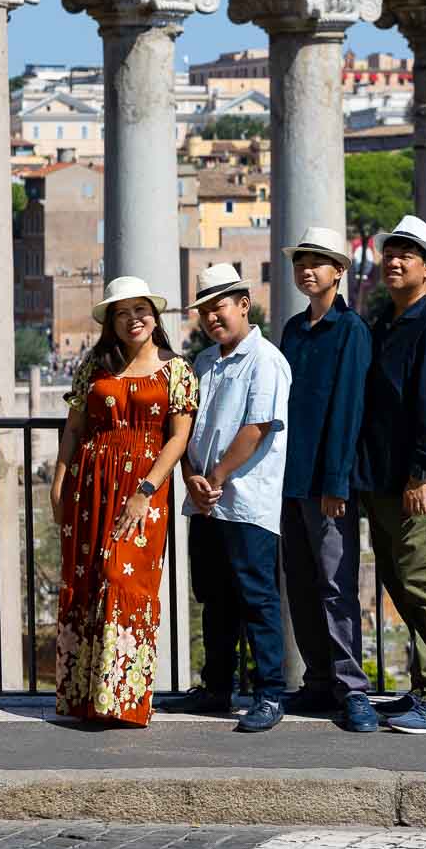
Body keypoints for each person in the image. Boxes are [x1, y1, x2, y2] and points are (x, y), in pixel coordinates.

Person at [51, 275, 198, 727]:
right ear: (110, 322)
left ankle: (122, 699)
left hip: (143, 487)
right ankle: (85, 698)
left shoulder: (178, 370)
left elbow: (178, 440)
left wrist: (145, 491)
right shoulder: (94, 366)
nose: (133, 319)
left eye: (141, 310)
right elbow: (74, 429)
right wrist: (58, 483)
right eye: (122, 312)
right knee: (89, 577)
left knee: (123, 579)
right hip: (90, 482)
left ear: (154, 317)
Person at [355, 215, 426, 735]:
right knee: (403, 585)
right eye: (390, 253)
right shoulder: (389, 320)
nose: (394, 261)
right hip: (384, 480)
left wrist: (420, 472)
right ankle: (424, 689)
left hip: (420, 484)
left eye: (407, 255)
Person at [180, 263, 292, 733]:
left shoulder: (265, 359)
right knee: (215, 597)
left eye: (218, 306)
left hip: (245, 500)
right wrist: (191, 476)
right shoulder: (205, 362)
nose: (211, 317)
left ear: (244, 305)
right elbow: (186, 430)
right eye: (204, 310)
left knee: (257, 598)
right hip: (207, 499)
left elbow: (257, 427)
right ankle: (218, 687)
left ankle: (269, 692)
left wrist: (216, 476)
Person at [279, 226, 376, 732]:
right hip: (289, 479)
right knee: (299, 583)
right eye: (300, 262)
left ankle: (352, 689)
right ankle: (318, 683)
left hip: (328, 482)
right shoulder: (293, 330)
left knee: (336, 586)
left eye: (317, 262)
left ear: (339, 271)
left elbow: (349, 409)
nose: (306, 269)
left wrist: (337, 481)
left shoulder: (352, 331)